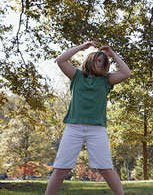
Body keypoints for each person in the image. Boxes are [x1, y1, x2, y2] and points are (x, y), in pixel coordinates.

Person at [45, 41, 131, 195]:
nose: (102, 63)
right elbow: (60, 60)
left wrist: (112, 55)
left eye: (104, 62)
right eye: (99, 60)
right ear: (90, 60)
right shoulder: (76, 76)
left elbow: (126, 73)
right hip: (73, 127)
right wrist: (82, 47)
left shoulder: (106, 80)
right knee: (60, 170)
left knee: (106, 168)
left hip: (97, 129)